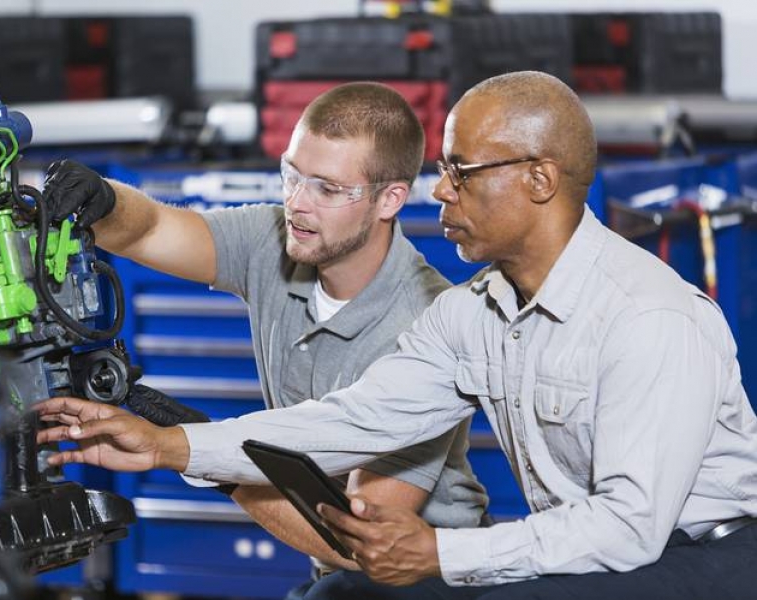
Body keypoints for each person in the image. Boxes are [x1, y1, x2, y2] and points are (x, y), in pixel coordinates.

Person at [37, 71, 757, 600]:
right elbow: (356, 420)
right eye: (442, 169)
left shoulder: (649, 317)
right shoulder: (473, 314)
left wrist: (444, 553)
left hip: (707, 557)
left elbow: (629, 529)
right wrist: (170, 444)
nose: (438, 189)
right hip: (585, 549)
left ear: (539, 179)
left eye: (461, 172)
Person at [40, 82, 487, 595]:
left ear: (390, 199)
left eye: (327, 189)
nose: (297, 203)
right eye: (291, 174)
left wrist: (203, 454)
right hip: (339, 574)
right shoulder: (274, 240)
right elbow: (148, 229)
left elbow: (361, 543)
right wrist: (105, 200)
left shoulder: (425, 323)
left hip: (429, 578)